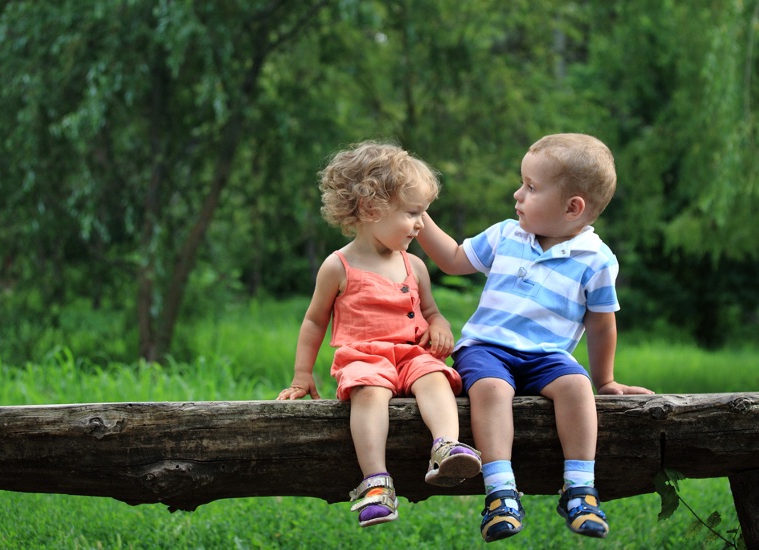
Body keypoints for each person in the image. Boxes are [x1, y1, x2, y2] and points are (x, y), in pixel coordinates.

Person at [416, 133, 653, 542]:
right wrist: (418, 214)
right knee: (491, 389)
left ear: (572, 207)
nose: (518, 194)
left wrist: (606, 380)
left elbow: (601, 324)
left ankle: (579, 488)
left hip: (547, 356)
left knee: (576, 386)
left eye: (531, 187)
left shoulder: (597, 260)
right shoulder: (507, 235)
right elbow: (453, 259)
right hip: (487, 349)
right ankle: (500, 492)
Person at [277, 141, 481, 528]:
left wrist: (439, 325)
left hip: (412, 354)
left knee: (435, 377)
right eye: (412, 213)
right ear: (371, 209)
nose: (421, 224)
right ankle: (375, 482)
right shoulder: (338, 266)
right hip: (365, 358)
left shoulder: (414, 265)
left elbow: (431, 311)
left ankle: (446, 446)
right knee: (368, 393)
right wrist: (302, 374)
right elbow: (314, 321)